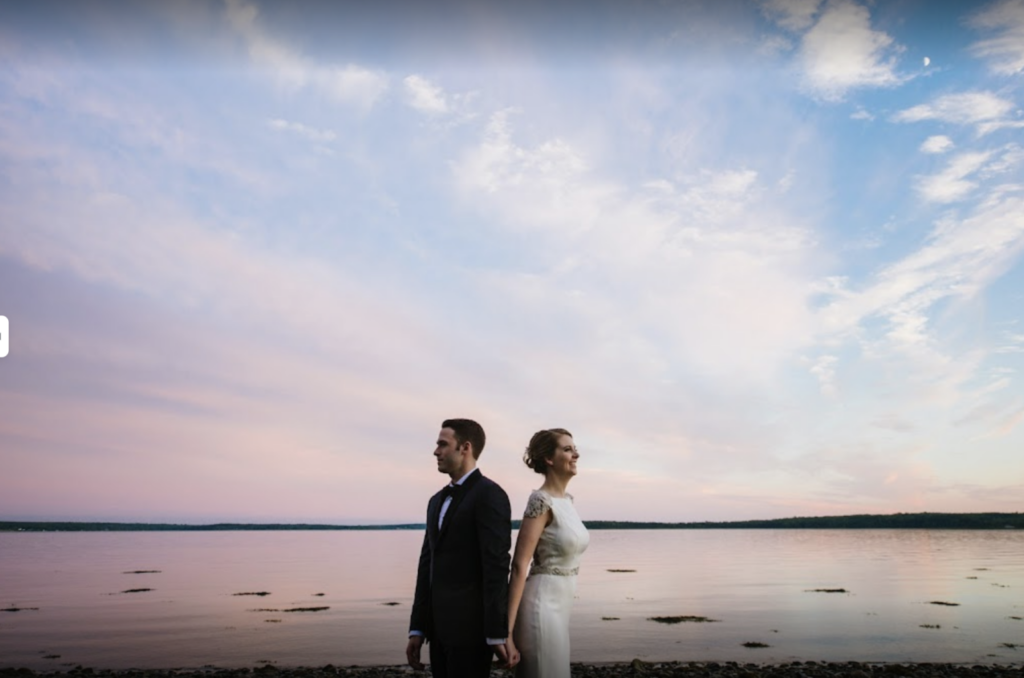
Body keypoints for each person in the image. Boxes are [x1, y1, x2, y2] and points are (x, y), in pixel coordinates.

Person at [406, 418, 513, 678]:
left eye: (443, 444)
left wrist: (496, 632)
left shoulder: (490, 494)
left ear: (465, 447)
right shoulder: (435, 501)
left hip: (472, 632)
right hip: (437, 631)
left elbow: (497, 567)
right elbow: (426, 566)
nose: (436, 451)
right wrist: (417, 629)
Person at [505, 428, 590, 678]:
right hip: (540, 607)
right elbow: (520, 565)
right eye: (567, 449)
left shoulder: (568, 502)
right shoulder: (540, 501)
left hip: (561, 608)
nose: (576, 455)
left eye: (575, 449)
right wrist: (506, 633)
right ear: (549, 459)